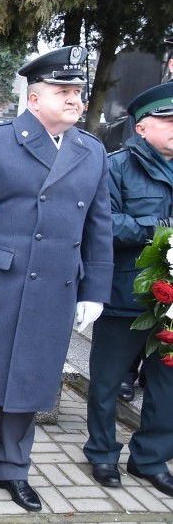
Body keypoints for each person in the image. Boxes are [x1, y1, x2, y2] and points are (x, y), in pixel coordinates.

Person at [0, 46, 114, 512]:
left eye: (77, 92)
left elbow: (99, 225)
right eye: (63, 91)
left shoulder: (92, 151)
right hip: (0, 283)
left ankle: (13, 468)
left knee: (33, 379)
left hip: (56, 286)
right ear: (34, 98)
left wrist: (95, 290)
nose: (74, 99)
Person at [83, 82, 173, 497]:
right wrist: (156, 232)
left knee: (165, 383)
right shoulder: (116, 166)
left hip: (170, 304)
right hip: (127, 294)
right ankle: (102, 452)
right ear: (141, 127)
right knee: (106, 380)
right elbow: (104, 223)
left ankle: (150, 458)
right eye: (167, 120)